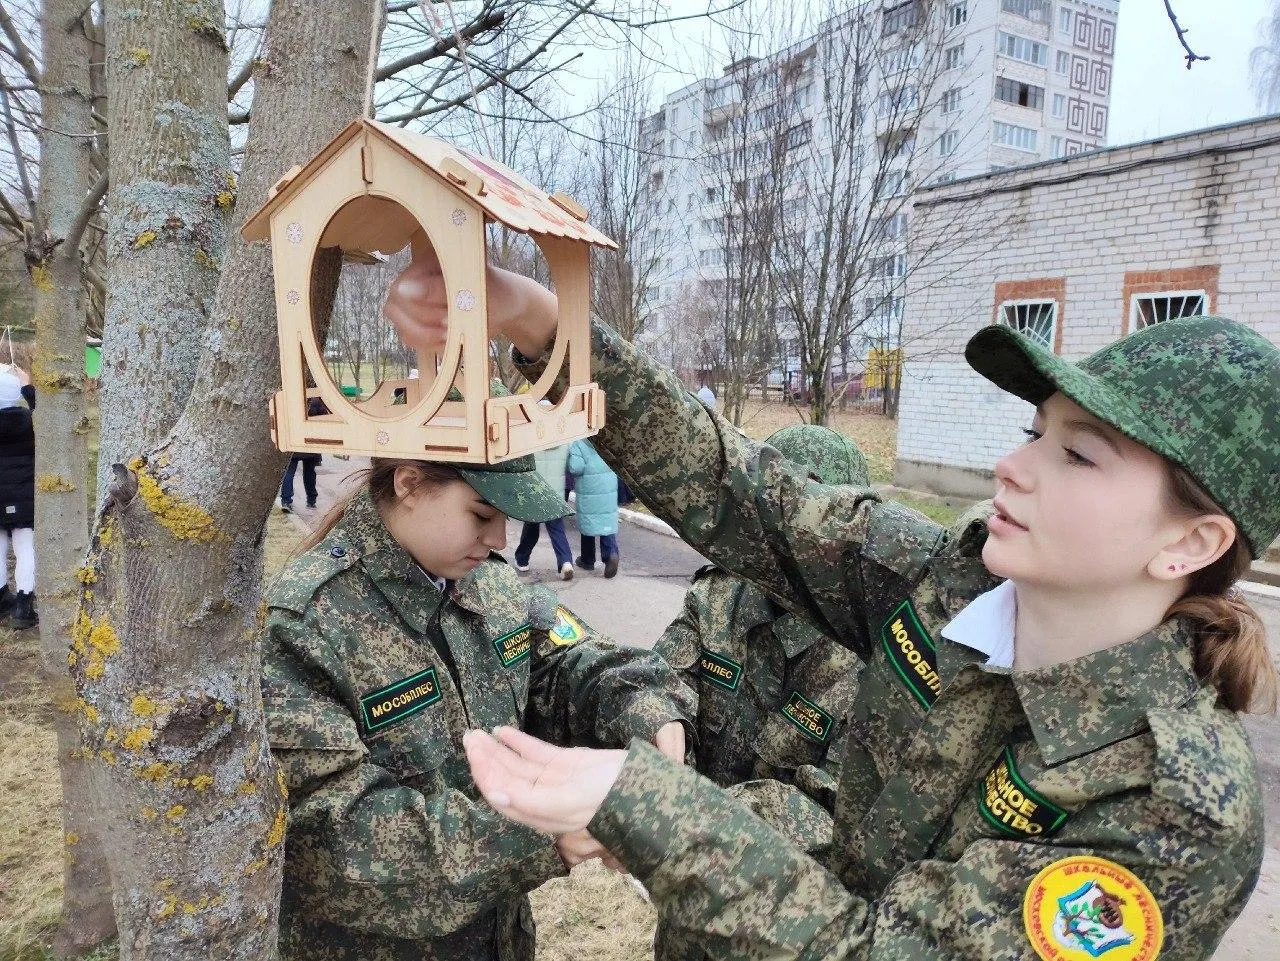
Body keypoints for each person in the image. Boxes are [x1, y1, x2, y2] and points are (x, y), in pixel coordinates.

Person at [384, 256, 1278, 961]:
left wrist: (648, 804)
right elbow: (743, 488)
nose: (1017, 467)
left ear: (1190, 544)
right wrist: (541, 321)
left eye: (1080, 456)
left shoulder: (1177, 807)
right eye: (1033, 433)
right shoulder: (952, 587)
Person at [260, 448, 696, 961]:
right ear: (409, 484)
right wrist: (547, 833)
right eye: (482, 515)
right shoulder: (303, 627)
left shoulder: (487, 583)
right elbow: (332, 842)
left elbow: (569, 660)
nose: (498, 539)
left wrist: (648, 712)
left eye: (506, 518)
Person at [0, 371, 36, 629]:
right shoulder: (32, 421)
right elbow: (47, 410)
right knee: (25, 548)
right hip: (24, 496)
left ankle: (1, 599)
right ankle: (23, 607)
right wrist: (27, 385)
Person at [513, 440, 575, 580]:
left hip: (535, 494)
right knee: (557, 530)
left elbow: (522, 467)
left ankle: (522, 559)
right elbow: (571, 467)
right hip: (555, 495)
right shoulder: (564, 444)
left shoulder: (531, 442)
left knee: (531, 529)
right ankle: (565, 562)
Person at [567, 437, 620, 578]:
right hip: (608, 487)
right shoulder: (608, 440)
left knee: (587, 522)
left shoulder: (578, 443)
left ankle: (587, 559)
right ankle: (611, 555)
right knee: (606, 521)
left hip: (589, 490)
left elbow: (575, 468)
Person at [280, 396, 326, 512]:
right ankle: (311, 500)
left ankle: (286, 501)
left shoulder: (290, 398)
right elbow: (325, 419)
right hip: (311, 442)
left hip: (293, 442)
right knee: (309, 472)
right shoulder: (316, 400)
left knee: (289, 473)